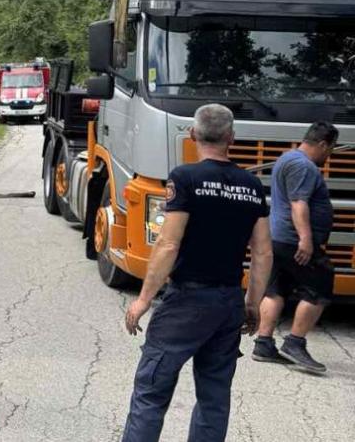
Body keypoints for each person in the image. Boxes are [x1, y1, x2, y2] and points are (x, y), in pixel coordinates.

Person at [122, 104, 273, 442]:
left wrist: (143, 299)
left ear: (192, 135)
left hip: (187, 301)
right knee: (214, 398)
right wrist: (252, 304)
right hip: (228, 302)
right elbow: (263, 251)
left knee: (151, 392)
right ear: (231, 138)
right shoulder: (251, 185)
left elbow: (168, 244)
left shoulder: (185, 178)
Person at [252, 121, 337, 374]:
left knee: (276, 289)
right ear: (322, 144)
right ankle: (295, 343)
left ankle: (263, 344)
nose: (329, 155)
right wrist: (306, 239)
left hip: (277, 238)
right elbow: (299, 203)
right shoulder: (304, 167)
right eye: (329, 149)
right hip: (293, 240)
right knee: (320, 286)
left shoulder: (287, 158)